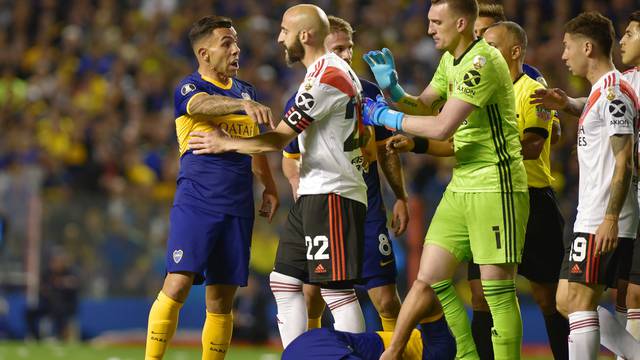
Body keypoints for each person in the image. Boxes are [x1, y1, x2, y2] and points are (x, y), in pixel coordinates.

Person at [188, 5, 369, 348]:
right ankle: (299, 355)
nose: (279, 38)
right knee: (284, 281)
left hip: (333, 192)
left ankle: (355, 356)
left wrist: (224, 142)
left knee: (336, 291)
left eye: (284, 31)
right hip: (316, 191)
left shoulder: (326, 77)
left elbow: (279, 138)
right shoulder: (321, 74)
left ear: (305, 35)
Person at [363, 0, 529, 359]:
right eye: (428, 21)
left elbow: (442, 126)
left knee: (496, 292)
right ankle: (466, 355)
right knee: (433, 278)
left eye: (437, 22)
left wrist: (385, 115)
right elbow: (424, 105)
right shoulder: (450, 60)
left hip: (495, 184)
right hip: (462, 182)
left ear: (461, 23)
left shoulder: (482, 62)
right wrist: (393, 91)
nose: (429, 29)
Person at [144, 16, 279, 360]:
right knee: (177, 284)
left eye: (236, 42)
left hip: (238, 206)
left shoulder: (247, 91)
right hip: (197, 202)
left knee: (222, 300)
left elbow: (258, 144)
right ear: (204, 53)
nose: (236, 49)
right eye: (227, 43)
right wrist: (240, 105)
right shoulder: (189, 88)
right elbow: (201, 105)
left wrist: (269, 187)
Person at [282, 15, 409, 333]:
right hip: (326, 207)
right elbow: (289, 156)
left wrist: (401, 197)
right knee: (313, 294)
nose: (347, 55)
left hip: (367, 209)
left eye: (349, 48)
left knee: (386, 299)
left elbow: (385, 150)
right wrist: (297, 185)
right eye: (338, 48)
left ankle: (396, 353)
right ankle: (312, 350)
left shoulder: (368, 93)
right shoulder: (305, 96)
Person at [531, 10, 640, 359]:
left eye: (567, 47)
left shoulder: (613, 93)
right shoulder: (601, 92)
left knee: (577, 302)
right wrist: (567, 104)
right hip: (592, 213)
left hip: (603, 216)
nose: (563, 55)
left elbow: (624, 161)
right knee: (567, 298)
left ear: (588, 47)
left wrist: (610, 218)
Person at [282, 289, 455, 360]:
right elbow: (423, 292)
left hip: (305, 349)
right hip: (315, 347)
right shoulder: (439, 351)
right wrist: (395, 349)